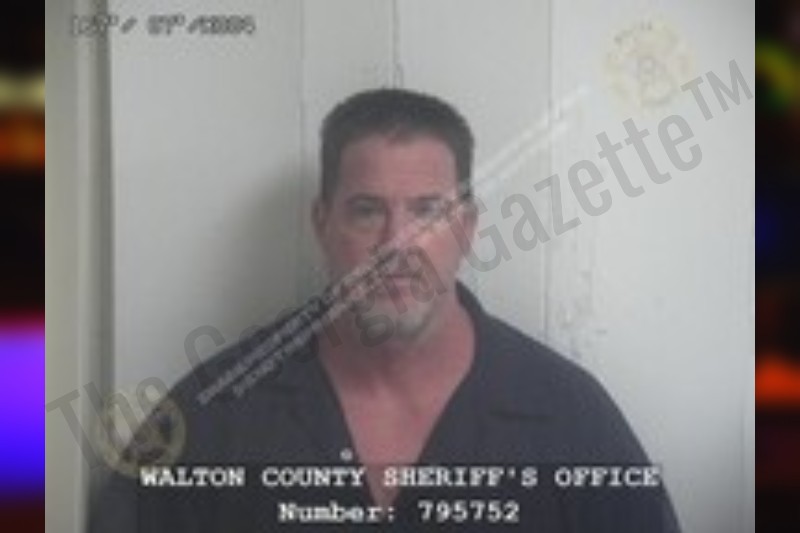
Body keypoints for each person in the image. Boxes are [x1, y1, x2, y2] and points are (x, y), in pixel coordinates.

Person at [90, 88, 680, 532]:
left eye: (428, 211)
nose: (396, 245)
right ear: (322, 223)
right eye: (367, 210)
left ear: (467, 227)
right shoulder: (212, 415)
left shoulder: (569, 417)